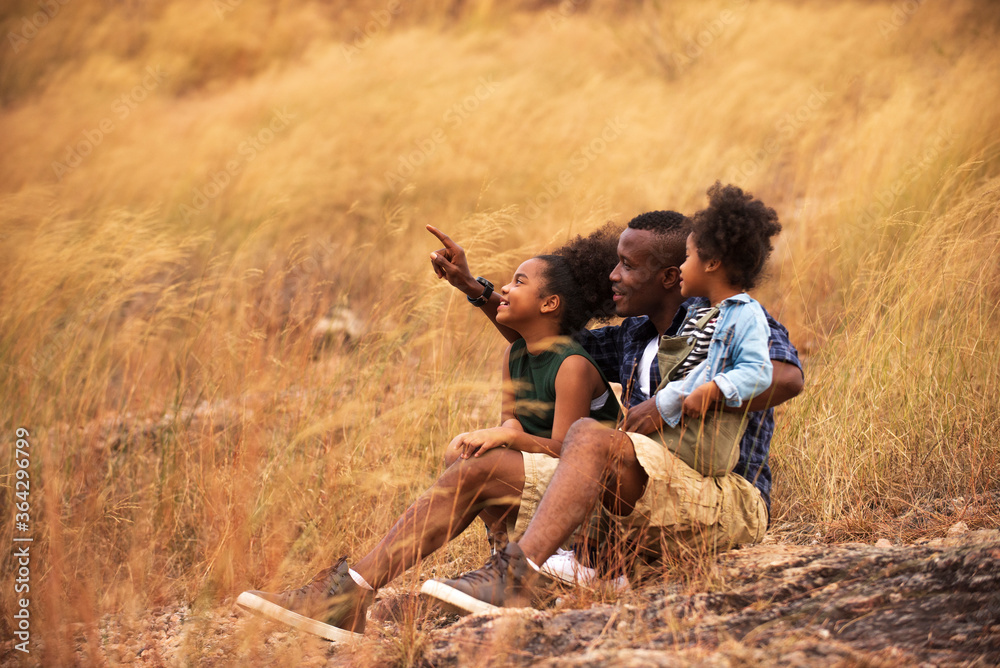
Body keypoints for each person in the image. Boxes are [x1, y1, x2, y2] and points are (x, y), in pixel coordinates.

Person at [421, 183, 803, 611]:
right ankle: (384, 588)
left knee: (588, 436)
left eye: (626, 265)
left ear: (671, 276)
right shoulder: (634, 337)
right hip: (654, 484)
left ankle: (524, 573)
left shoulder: (725, 319)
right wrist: (475, 288)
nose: (613, 275)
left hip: (723, 491)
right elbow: (546, 340)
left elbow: (786, 377)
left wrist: (671, 402)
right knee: (478, 461)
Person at [236, 236, 623, 642]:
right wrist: (491, 435)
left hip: (583, 497)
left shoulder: (573, 366)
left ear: (550, 304)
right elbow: (513, 422)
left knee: (481, 464)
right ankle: (502, 559)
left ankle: (349, 593)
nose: (504, 289)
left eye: (519, 282)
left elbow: (567, 448)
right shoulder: (515, 356)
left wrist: (502, 438)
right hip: (542, 479)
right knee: (465, 457)